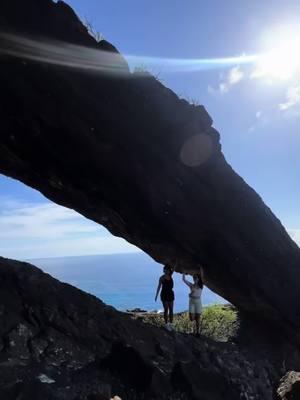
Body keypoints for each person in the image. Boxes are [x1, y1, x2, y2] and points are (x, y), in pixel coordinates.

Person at [182, 267, 204, 336]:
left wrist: (200, 268)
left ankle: (197, 332)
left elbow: (202, 276)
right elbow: (184, 279)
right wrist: (183, 272)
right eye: (194, 278)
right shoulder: (191, 285)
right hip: (192, 302)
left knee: (198, 319)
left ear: (198, 279)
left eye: (196, 278)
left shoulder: (201, 285)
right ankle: (194, 330)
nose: (195, 279)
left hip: (198, 302)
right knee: (191, 318)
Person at [155, 264, 174, 331]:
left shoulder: (170, 275)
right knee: (166, 309)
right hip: (164, 294)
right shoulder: (161, 278)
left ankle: (171, 324)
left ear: (169, 270)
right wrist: (156, 295)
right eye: (165, 270)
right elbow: (159, 286)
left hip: (171, 294)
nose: (166, 271)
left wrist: (175, 263)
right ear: (164, 270)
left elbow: (174, 268)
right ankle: (166, 324)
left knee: (171, 309)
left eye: (167, 270)